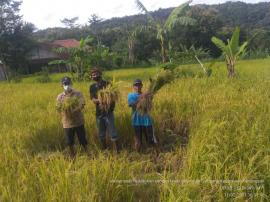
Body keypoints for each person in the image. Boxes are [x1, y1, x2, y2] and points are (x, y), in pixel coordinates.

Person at [89, 68, 120, 152]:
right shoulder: (92, 87)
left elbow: (113, 97)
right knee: (101, 134)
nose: (95, 76)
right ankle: (105, 150)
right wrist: (101, 100)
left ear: (100, 74)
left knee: (113, 133)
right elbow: (93, 100)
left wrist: (107, 100)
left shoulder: (108, 84)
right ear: (91, 77)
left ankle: (117, 151)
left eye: (96, 74)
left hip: (108, 113)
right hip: (99, 114)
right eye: (93, 75)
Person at [56, 76, 88, 157]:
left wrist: (75, 110)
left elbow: (82, 104)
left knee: (83, 140)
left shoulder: (78, 93)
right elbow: (58, 108)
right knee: (69, 142)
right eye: (65, 84)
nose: (67, 85)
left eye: (68, 83)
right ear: (62, 85)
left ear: (71, 83)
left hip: (79, 121)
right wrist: (65, 110)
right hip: (67, 123)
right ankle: (72, 156)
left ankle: (87, 154)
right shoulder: (60, 96)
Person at [128, 79, 158, 152]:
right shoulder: (131, 95)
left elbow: (149, 106)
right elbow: (131, 105)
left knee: (150, 138)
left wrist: (150, 97)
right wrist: (142, 98)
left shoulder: (147, 95)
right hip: (136, 120)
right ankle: (138, 154)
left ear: (141, 86)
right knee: (138, 139)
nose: (137, 86)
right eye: (136, 85)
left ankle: (154, 152)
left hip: (147, 120)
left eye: (139, 85)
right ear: (133, 86)